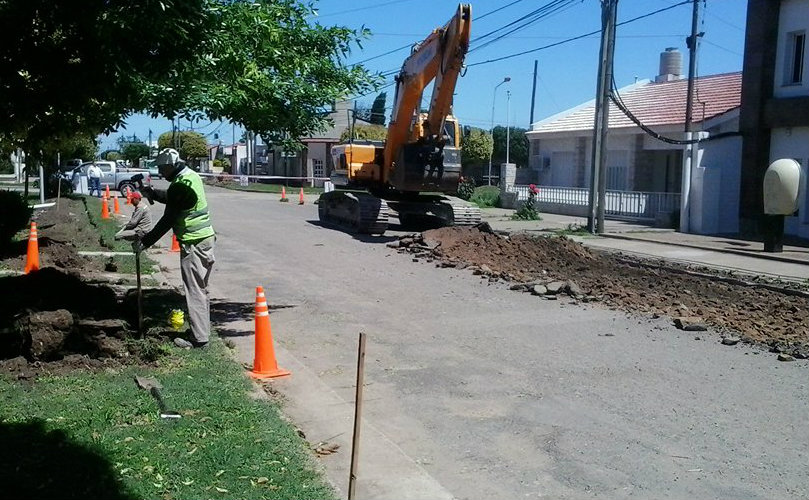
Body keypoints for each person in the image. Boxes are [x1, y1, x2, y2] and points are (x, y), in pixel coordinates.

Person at [134, 148, 216, 349]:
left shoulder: (179, 186)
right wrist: (153, 193)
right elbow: (176, 198)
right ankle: (201, 329)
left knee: (194, 290)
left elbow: (167, 220)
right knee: (201, 289)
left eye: (163, 168)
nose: (161, 172)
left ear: (171, 166)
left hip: (193, 243)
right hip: (205, 240)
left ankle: (199, 339)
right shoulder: (191, 176)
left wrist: (144, 243)